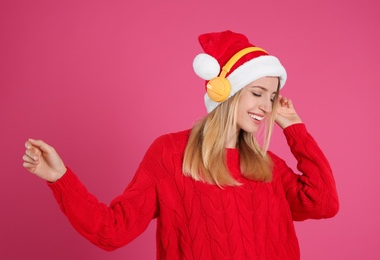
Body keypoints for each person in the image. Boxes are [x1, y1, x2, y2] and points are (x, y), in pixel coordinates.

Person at [22, 30, 339, 260]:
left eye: (271, 97)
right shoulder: (171, 154)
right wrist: (60, 179)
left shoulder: (267, 165)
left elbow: (324, 201)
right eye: (257, 93)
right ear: (227, 92)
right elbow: (112, 230)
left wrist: (295, 128)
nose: (266, 107)